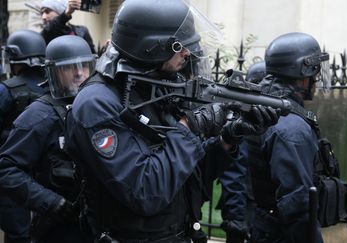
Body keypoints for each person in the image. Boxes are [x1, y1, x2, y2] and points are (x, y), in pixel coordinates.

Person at [64, 0, 279, 242]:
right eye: (180, 46)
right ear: (151, 47)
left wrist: (228, 139)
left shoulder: (151, 89)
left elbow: (185, 176)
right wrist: (189, 127)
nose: (187, 52)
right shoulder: (97, 104)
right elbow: (145, 192)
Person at [0, 35, 95, 243]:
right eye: (70, 67)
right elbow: (6, 169)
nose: (79, 73)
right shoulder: (39, 114)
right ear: (55, 72)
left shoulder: (98, 107)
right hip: (58, 225)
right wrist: (51, 202)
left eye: (85, 66)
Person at [247, 32, 331, 243]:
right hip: (281, 235)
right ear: (304, 73)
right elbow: (297, 204)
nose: (317, 79)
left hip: (265, 226)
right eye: (315, 72)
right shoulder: (291, 128)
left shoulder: (268, 109)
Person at [0, 29, 47, 243]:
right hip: (47, 175)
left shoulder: (6, 90)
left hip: (12, 174)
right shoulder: (52, 88)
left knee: (18, 234)